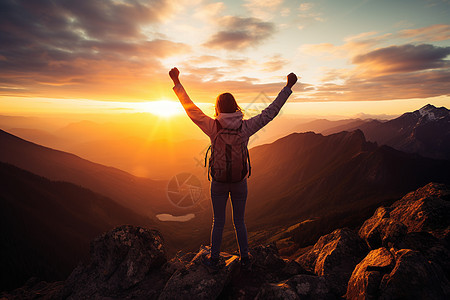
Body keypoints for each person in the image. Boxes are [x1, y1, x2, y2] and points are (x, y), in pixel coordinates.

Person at [169, 67, 297, 270]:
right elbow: (270, 112)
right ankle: (245, 258)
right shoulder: (245, 127)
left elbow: (191, 109)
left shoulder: (213, 126)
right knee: (240, 221)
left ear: (218, 108)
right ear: (235, 107)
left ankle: (213, 260)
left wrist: (177, 82)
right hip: (239, 181)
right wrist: (287, 87)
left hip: (218, 183)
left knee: (217, 222)